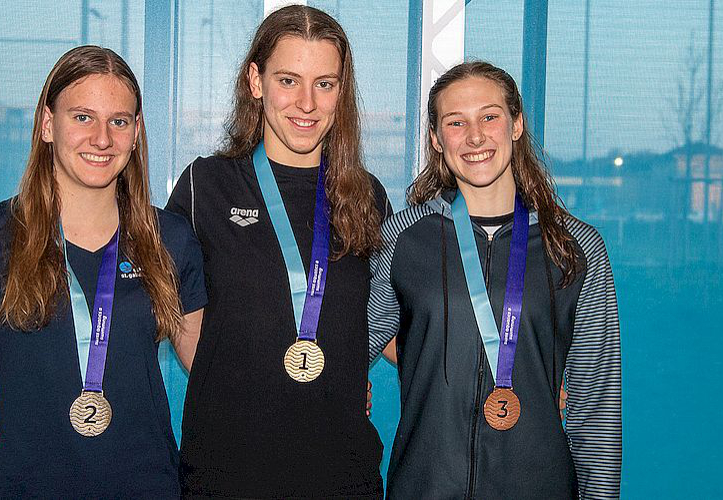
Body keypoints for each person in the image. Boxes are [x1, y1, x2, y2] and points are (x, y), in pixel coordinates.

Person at [0, 46, 205, 499]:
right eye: (82, 118)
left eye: (119, 121)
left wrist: (330, 388)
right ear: (47, 124)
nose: (101, 138)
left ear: (136, 134)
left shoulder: (168, 239)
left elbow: (216, 370)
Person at [368, 61, 621, 499]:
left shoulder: (576, 246)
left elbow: (595, 406)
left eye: (489, 116)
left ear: (517, 123)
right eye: (456, 122)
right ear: (435, 138)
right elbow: (354, 339)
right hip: (425, 487)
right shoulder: (404, 237)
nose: (475, 136)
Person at [165, 5, 389, 499]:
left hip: (342, 476)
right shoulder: (207, 185)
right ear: (256, 80)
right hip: (226, 473)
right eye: (289, 80)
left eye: (325, 84)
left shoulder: (367, 195)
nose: (307, 103)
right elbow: (142, 299)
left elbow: (400, 320)